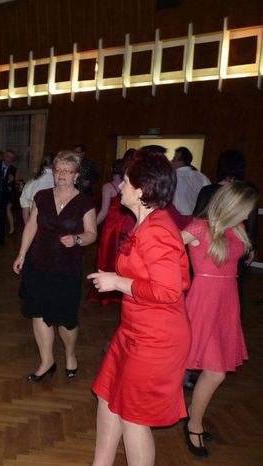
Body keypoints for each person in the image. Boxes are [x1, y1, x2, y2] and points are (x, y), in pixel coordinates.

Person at [87, 150, 190, 466]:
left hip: (156, 339)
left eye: (126, 182)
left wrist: (117, 282)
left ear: (143, 189)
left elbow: (168, 291)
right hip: (133, 330)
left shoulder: (157, 230)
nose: (120, 186)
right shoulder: (145, 224)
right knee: (107, 397)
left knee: (133, 416)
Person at [181, 182, 258, 458]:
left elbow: (237, 257)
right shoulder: (199, 228)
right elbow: (163, 249)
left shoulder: (237, 228)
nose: (248, 215)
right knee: (213, 372)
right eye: (246, 209)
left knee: (212, 368)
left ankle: (193, 414)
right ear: (232, 206)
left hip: (227, 302)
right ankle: (193, 423)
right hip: (204, 301)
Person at [13, 151, 97, 381]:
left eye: (67, 171)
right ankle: (46, 361)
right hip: (39, 262)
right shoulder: (41, 196)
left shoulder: (84, 202)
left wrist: (77, 239)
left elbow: (92, 233)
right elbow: (31, 226)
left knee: (66, 320)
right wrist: (21, 254)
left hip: (67, 268)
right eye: (58, 170)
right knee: (38, 313)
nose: (61, 175)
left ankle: (70, 354)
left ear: (76, 175)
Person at [88, 158, 127, 305]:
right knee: (120, 257)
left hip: (111, 226)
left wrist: (92, 226)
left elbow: (104, 211)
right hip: (125, 225)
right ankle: (120, 291)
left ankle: (104, 292)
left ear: (112, 169)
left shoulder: (108, 186)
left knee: (106, 254)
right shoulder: (128, 185)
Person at [171, 146, 209, 217]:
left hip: (176, 217)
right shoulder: (202, 177)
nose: (171, 161)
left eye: (174, 159)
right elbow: (208, 197)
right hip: (198, 217)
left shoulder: (172, 177)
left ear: (181, 162)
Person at [19, 152, 55, 224]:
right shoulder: (60, 184)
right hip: (53, 224)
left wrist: (27, 226)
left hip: (34, 224)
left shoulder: (30, 184)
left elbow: (25, 209)